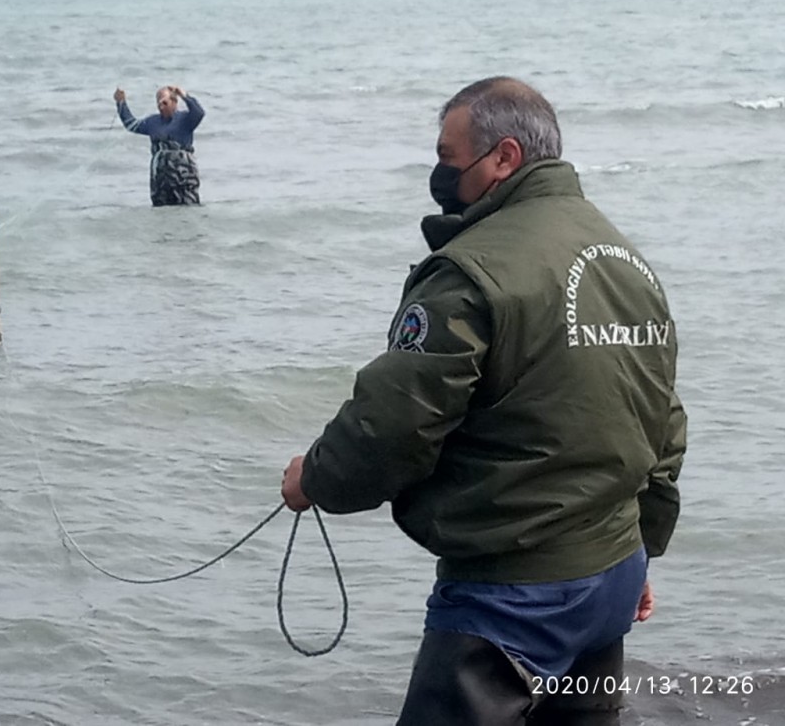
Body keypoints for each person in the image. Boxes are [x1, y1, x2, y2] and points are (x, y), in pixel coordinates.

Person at [280, 76, 686, 725]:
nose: (440, 174)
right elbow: (662, 419)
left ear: (503, 158)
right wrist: (642, 549)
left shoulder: (470, 271)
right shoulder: (625, 260)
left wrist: (316, 479)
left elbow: (393, 425)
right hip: (610, 576)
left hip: (511, 599)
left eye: (447, 157)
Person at [113, 85, 205, 206]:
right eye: (158, 104)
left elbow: (199, 113)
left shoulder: (185, 120)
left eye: (164, 102)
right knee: (161, 210)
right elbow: (131, 125)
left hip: (184, 177)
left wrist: (184, 95)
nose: (161, 107)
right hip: (161, 178)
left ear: (174, 102)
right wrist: (121, 103)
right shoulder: (153, 122)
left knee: (188, 207)